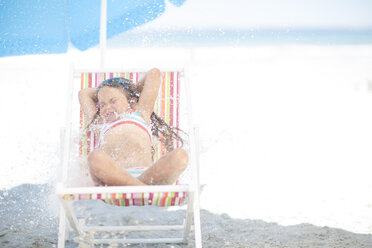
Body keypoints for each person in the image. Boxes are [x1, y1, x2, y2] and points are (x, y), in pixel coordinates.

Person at [78, 68, 188, 186]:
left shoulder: (141, 113)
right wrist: (105, 91)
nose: (107, 107)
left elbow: (154, 73)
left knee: (180, 156)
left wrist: (126, 89)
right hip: (114, 178)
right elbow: (83, 94)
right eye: (102, 104)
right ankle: (143, 189)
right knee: (95, 158)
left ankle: (136, 186)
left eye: (113, 101)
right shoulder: (100, 123)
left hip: (147, 176)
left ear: (130, 100)